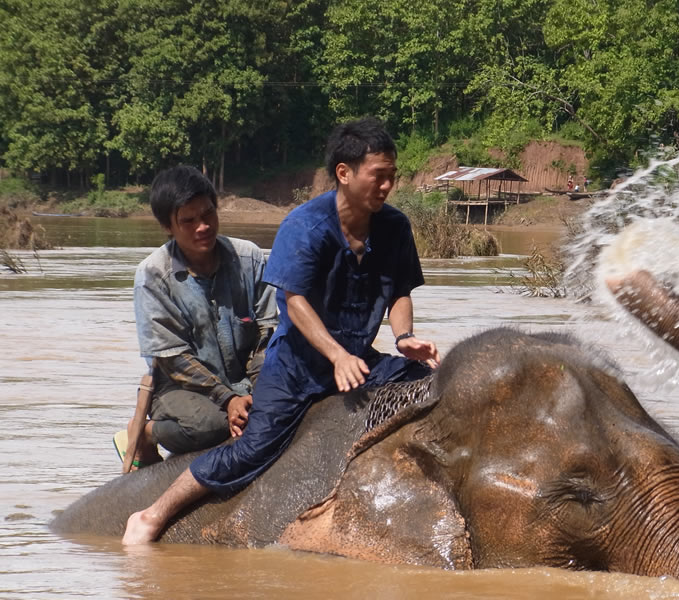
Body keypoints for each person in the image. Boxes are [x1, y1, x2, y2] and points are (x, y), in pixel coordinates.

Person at [122, 117, 440, 544]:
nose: (387, 187)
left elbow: (399, 290)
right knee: (251, 450)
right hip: (296, 367)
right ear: (344, 173)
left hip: (357, 358)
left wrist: (404, 339)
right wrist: (336, 356)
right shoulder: (305, 226)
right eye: (378, 177)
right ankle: (151, 516)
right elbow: (294, 301)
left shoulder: (395, 227)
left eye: (392, 178)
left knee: (436, 383)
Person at [120, 165, 278, 470]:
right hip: (179, 387)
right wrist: (228, 399)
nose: (202, 226)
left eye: (207, 215)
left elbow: (267, 335)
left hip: (243, 380)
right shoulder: (153, 275)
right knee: (210, 427)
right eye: (188, 221)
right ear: (168, 227)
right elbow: (174, 359)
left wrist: (260, 394)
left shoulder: (250, 258)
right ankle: (147, 434)